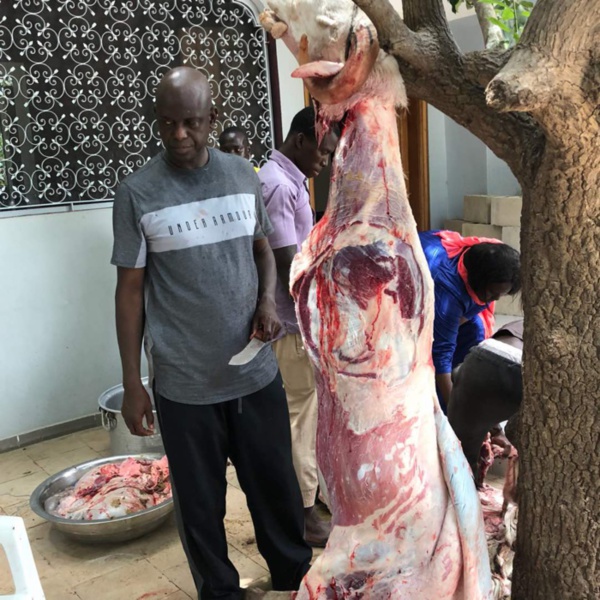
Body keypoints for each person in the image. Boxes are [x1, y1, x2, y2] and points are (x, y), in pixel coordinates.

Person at [111, 66, 311, 600]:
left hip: (253, 371)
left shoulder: (242, 176)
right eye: (169, 123)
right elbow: (130, 292)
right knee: (201, 506)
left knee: (276, 489)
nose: (180, 135)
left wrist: (268, 297)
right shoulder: (137, 193)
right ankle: (220, 592)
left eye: (192, 123)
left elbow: (263, 249)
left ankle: (293, 580)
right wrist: (133, 381)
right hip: (184, 384)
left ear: (212, 120)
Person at [258, 106, 339, 547]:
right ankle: (305, 514)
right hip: (291, 326)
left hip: (306, 321)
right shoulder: (275, 185)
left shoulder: (290, 182)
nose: (324, 163)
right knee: (301, 420)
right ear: (301, 139)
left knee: (313, 416)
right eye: (323, 154)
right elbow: (288, 264)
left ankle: (316, 498)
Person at [418, 230, 521, 411]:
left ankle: (458, 396)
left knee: (474, 332)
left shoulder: (495, 256)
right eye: (492, 293)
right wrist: (456, 414)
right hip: (413, 277)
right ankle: (439, 407)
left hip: (449, 293)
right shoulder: (448, 294)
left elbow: (472, 309)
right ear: (477, 282)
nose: (495, 299)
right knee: (436, 351)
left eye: (501, 294)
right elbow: (441, 356)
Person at [447, 319, 523, 486]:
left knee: (460, 456)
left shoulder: (520, 323)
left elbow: (483, 395)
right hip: (521, 369)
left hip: (481, 363)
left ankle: (465, 498)